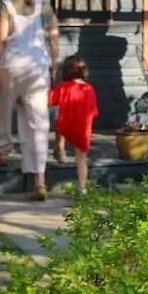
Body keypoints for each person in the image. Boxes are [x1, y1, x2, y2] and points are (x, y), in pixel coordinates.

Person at [0, 0, 58, 201]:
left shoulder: (7, 6)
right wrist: (54, 66)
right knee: (38, 121)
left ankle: (3, 152)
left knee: (5, 108)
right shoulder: (45, 6)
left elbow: (0, 39)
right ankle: (40, 179)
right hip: (37, 66)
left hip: (12, 64)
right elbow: (54, 38)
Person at [49, 55, 98, 192]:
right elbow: (93, 111)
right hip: (83, 129)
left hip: (66, 125)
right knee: (81, 159)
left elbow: (50, 100)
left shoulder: (64, 87)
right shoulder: (89, 89)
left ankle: (60, 149)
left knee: (58, 127)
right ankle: (82, 188)